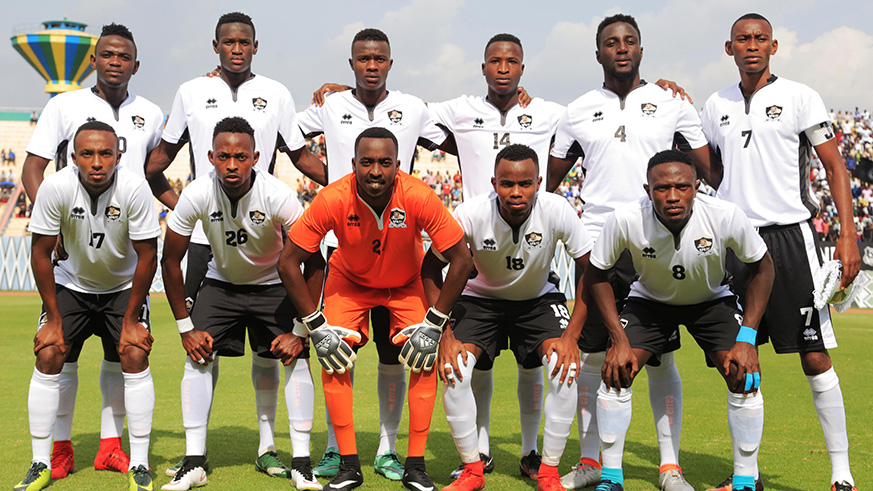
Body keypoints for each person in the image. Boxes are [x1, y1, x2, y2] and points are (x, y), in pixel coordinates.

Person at [144, 12, 326, 479]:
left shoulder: (278, 93)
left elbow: (299, 154)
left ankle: (270, 447)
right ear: (216, 46)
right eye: (229, 42)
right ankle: (194, 459)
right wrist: (179, 201)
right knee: (202, 350)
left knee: (274, 351)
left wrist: (349, 182)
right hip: (208, 246)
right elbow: (157, 160)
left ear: (255, 46)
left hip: (266, 232)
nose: (237, 49)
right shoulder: (190, 91)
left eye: (245, 42)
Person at [546, 14, 713, 490]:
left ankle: (669, 467)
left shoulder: (671, 103)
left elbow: (710, 172)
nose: (621, 48)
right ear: (598, 53)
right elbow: (550, 183)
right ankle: (591, 462)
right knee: (593, 354)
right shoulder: (576, 110)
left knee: (660, 357)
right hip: (599, 245)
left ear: (642, 49)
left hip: (657, 242)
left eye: (629, 41)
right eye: (611, 43)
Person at [700, 13, 860, 491]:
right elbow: (711, 168)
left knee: (813, 356)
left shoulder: (799, 96)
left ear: (774, 46)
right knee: (737, 359)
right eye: (742, 40)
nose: (752, 46)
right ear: (729, 49)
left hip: (790, 239)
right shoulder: (715, 104)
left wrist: (847, 236)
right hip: (734, 241)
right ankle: (746, 477)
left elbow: (835, 168)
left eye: (760, 39)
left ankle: (841, 474)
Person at [278, 127, 473, 491]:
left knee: (423, 356)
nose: (375, 171)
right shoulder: (333, 197)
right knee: (333, 354)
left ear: (398, 166)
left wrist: (436, 323)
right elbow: (289, 261)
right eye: (366, 162)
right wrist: (314, 326)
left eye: (385, 163)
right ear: (353, 164)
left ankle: (416, 465)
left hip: (406, 282)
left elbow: (462, 259)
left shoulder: (417, 194)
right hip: (349, 283)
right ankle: (349, 464)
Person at [297, 28, 453, 481]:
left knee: (404, 357)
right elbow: (287, 137)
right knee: (334, 351)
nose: (370, 64)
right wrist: (325, 175)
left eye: (378, 58)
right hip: (345, 257)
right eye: (362, 58)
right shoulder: (331, 106)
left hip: (403, 271)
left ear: (389, 62)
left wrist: (436, 322)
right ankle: (339, 454)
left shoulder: (414, 109)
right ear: (351, 65)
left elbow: (460, 132)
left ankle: (395, 453)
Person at [20, 23, 164, 480]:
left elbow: (155, 177)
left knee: (125, 353)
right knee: (52, 352)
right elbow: (35, 168)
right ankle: (53, 453)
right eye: (107, 54)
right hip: (75, 263)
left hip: (123, 261)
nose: (115, 61)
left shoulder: (152, 113)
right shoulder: (63, 106)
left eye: (124, 56)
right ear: (94, 60)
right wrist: (57, 223)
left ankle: (114, 448)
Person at [587, 150, 773, 491]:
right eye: (662, 188)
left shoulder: (724, 214)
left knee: (743, 376)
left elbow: (763, 267)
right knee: (616, 372)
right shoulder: (625, 218)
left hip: (710, 300)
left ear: (697, 187)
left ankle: (746, 480)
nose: (672, 196)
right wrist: (617, 338)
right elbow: (597, 273)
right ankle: (611, 479)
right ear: (647, 189)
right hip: (650, 302)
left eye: (682, 187)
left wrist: (747, 338)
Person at [159, 117, 324, 491]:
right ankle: (194, 462)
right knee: (197, 355)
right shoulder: (196, 193)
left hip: (273, 285)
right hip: (222, 284)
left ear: (256, 158)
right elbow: (170, 261)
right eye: (223, 156)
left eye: (241, 156)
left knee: (296, 357)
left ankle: (301, 463)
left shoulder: (278, 194)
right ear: (210, 157)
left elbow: (314, 259)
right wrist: (185, 328)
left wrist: (302, 330)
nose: (232, 165)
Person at [424, 144, 591, 491]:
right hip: (479, 300)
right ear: (493, 183)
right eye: (506, 184)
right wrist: (444, 333)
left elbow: (589, 269)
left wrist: (572, 336)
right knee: (454, 370)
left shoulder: (557, 209)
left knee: (566, 367)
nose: (516, 192)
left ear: (539, 183)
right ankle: (472, 468)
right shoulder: (470, 213)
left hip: (537, 300)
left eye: (526, 184)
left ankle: (546, 471)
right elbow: (430, 268)